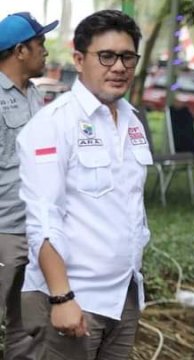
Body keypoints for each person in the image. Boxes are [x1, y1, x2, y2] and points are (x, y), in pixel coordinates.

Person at [16, 10, 150, 359]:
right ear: (79, 59)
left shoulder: (132, 122)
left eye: (127, 57)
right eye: (106, 56)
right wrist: (62, 297)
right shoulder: (54, 124)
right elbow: (44, 217)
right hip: (75, 298)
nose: (118, 67)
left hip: (123, 295)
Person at [0, 11, 58, 359]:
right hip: (3, 232)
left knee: (28, 329)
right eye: (41, 44)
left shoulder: (35, 95)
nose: (45, 51)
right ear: (21, 50)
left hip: (35, 231)